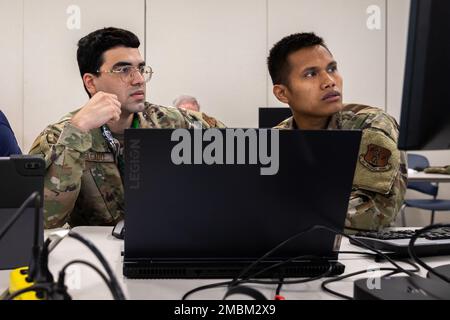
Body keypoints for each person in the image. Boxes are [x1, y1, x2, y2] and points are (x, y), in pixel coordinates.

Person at [29, 27, 225, 229]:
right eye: (123, 70)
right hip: (97, 255)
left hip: (164, 247)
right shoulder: (58, 137)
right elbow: (43, 221)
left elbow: (240, 147)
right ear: (90, 83)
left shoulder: (171, 123)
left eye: (140, 68)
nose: (139, 79)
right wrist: (78, 131)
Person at [268, 32, 407, 231]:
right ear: (282, 93)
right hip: (290, 250)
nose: (329, 81)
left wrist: (285, 214)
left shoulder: (370, 124)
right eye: (311, 74)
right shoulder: (277, 138)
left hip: (360, 251)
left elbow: (374, 212)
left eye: (332, 69)